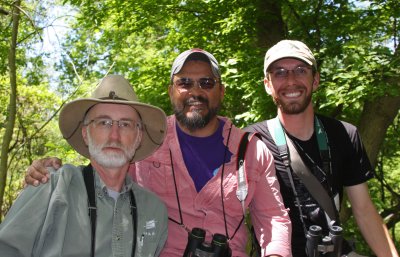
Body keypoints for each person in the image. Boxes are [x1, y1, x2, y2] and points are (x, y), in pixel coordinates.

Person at [24, 49, 292, 257]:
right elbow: (102, 176)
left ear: (220, 91)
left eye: (206, 82)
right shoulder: (145, 138)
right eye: (184, 82)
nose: (195, 91)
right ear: (171, 91)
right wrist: (50, 173)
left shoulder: (252, 149)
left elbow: (272, 218)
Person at [245, 40, 399, 257]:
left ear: (315, 80)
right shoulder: (251, 140)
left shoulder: (344, 134)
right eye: (279, 73)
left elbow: (363, 209)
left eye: (301, 70)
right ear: (267, 84)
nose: (290, 80)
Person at [0, 74, 169, 257]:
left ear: (138, 137)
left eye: (125, 124)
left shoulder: (153, 210)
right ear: (85, 134)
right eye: (103, 123)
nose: (114, 135)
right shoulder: (52, 186)